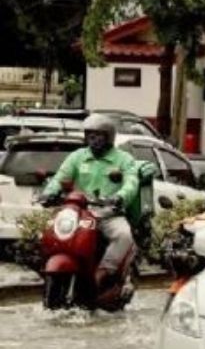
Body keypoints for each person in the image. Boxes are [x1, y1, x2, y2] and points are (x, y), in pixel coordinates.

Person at [38, 113, 139, 286]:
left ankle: (105, 270)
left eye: (99, 135)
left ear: (109, 137)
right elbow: (60, 177)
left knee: (124, 235)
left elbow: (132, 182)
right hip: (80, 215)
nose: (94, 140)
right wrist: (49, 193)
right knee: (48, 233)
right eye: (90, 135)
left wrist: (119, 197)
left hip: (108, 214)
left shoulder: (123, 159)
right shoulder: (77, 156)